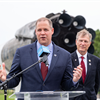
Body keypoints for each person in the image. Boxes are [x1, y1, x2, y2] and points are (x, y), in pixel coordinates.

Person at [0, 17, 82, 99]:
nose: (42, 33)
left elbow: (66, 86)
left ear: (52, 31)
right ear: (36, 32)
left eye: (45, 30)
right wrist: (4, 79)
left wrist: (74, 80)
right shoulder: (22, 52)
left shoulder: (65, 55)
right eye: (39, 30)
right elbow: (14, 81)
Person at [70, 29, 100, 100]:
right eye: (81, 40)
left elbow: (97, 83)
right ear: (76, 42)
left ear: (89, 44)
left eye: (86, 41)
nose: (83, 43)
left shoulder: (96, 61)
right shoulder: (68, 59)